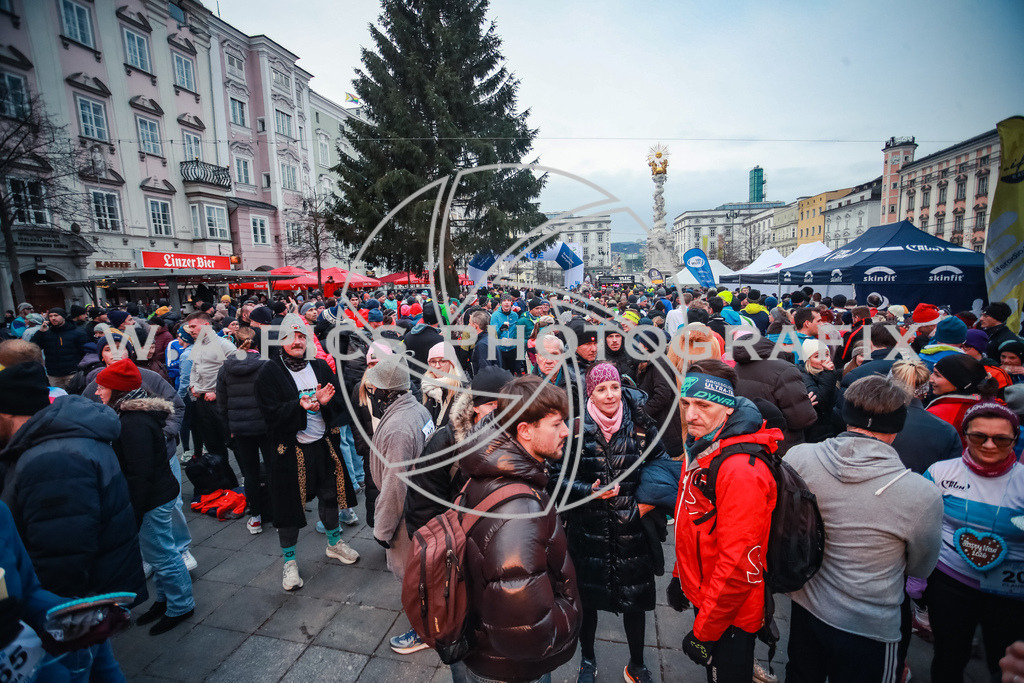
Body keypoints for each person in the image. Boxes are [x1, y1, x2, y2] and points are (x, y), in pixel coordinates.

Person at [783, 375, 943, 682]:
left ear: (845, 414)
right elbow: (921, 567)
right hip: (869, 623)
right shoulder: (921, 494)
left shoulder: (799, 457)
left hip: (806, 602)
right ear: (898, 427)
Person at [0, 362, 142, 678]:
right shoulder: (53, 442)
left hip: (70, 606)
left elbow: (62, 555)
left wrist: (61, 619)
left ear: (7, 414)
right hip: (82, 602)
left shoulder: (52, 459)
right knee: (104, 668)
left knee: (81, 670)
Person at [456, 375, 580, 683]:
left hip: (489, 653)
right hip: (510, 670)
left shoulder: (493, 468)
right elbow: (527, 629)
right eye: (555, 424)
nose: (566, 431)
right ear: (524, 431)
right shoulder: (518, 512)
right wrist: (572, 615)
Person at [671, 359, 781, 683]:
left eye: (703, 405)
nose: (691, 415)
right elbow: (689, 518)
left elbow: (737, 566)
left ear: (728, 407)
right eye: (686, 403)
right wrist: (681, 576)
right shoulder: (705, 444)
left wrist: (704, 632)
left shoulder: (740, 470)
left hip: (728, 611)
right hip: (707, 594)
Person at [551, 362, 661, 683]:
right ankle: (588, 659)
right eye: (601, 389)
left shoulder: (641, 426)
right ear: (591, 393)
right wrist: (588, 492)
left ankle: (636, 664)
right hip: (588, 533)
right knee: (587, 602)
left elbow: (662, 468)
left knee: (635, 602)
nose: (610, 395)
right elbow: (556, 478)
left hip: (632, 531)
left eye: (614, 387)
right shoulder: (574, 430)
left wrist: (643, 504)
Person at [254, 314, 360, 591]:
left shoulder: (319, 367)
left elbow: (338, 401)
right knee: (288, 507)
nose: (297, 341)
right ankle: (289, 562)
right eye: (291, 336)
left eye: (301, 336)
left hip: (323, 445)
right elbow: (269, 415)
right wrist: (299, 407)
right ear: (282, 340)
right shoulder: (269, 372)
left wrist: (324, 404)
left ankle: (334, 543)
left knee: (330, 496)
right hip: (290, 451)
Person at [923, 402, 1024, 682]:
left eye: (1001, 439)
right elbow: (922, 522)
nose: (990, 445)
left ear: (1015, 439)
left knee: (1002, 662)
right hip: (951, 584)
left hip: (1011, 593)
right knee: (948, 655)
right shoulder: (941, 472)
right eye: (979, 436)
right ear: (965, 435)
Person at [95, 359, 195, 635]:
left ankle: (181, 605)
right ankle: (164, 600)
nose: (96, 391)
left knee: (163, 555)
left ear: (116, 390)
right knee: (160, 552)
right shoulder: (133, 415)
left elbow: (141, 473)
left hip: (151, 499)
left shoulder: (132, 422)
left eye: (102, 387)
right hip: (156, 495)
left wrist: (134, 510)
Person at [365, 352, 435, 654]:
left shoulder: (398, 428)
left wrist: (383, 529)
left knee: (413, 577)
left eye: (375, 387)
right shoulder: (416, 409)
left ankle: (424, 631)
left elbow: (395, 485)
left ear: (386, 392)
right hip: (421, 506)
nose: (371, 392)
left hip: (406, 516)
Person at [404, 364, 512, 535]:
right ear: (475, 406)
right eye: (491, 404)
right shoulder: (448, 442)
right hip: (457, 536)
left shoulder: (520, 438)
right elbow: (423, 501)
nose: (499, 411)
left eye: (505, 404)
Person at [216, 326, 272, 535]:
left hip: (240, 428)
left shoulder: (226, 368)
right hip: (266, 426)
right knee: (273, 469)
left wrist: (229, 427)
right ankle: (276, 514)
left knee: (250, 473)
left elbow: (221, 404)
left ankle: (255, 517)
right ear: (257, 343)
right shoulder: (266, 365)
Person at [732, 333, 817, 454]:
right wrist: (805, 405)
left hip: (746, 443)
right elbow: (801, 419)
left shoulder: (737, 368)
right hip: (779, 445)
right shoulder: (785, 370)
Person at [927, 354, 999, 446]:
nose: (930, 379)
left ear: (958, 382)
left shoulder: (939, 414)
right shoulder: (988, 403)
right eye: (933, 373)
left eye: (937, 375)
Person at [31, 307, 89, 389]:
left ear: (63, 317)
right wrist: (40, 333)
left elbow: (84, 352)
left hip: (72, 373)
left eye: (56, 315)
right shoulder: (46, 333)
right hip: (53, 375)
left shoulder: (77, 332)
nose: (53, 318)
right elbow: (33, 347)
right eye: (50, 316)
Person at [801, 339, 840, 443]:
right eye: (817, 356)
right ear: (808, 360)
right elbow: (820, 402)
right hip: (818, 435)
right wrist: (828, 373)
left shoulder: (832, 375)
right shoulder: (804, 377)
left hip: (833, 430)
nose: (824, 359)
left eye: (826, 354)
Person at [422, 341, 466, 428]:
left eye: (442, 361)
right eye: (433, 361)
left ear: (451, 363)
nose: (437, 366)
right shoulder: (427, 385)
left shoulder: (462, 389)